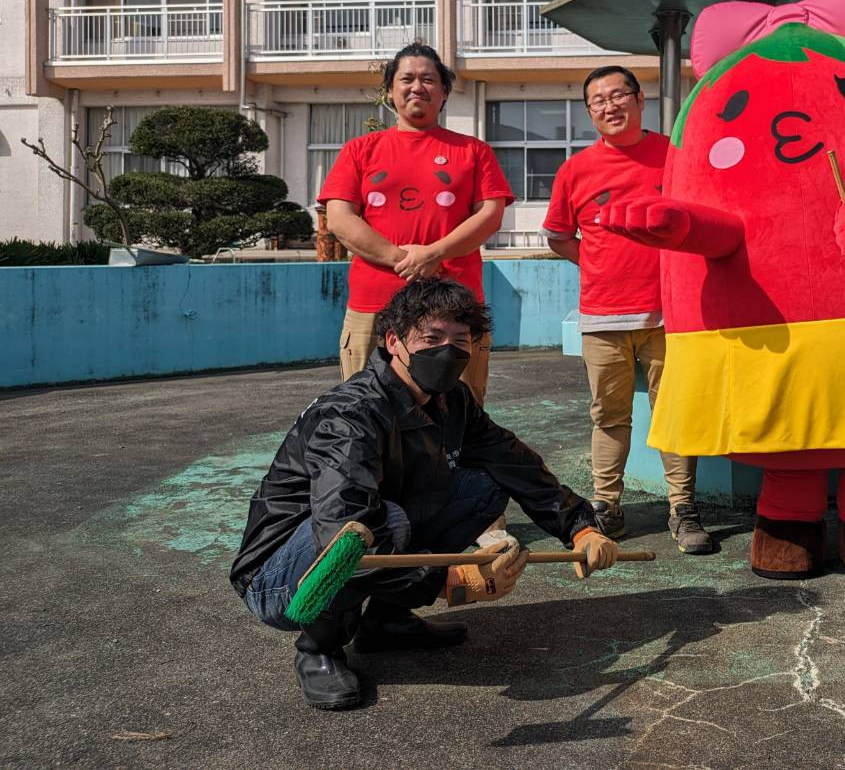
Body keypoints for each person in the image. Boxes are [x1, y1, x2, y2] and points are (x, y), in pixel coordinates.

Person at [230, 278, 620, 711]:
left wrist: (580, 527)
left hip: (361, 540)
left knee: (486, 485)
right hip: (282, 578)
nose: (448, 352)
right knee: (379, 523)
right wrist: (448, 582)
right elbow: (341, 534)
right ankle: (319, 648)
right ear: (394, 341)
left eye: (460, 341)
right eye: (431, 338)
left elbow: (512, 462)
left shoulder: (453, 399)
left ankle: (385, 620)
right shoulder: (351, 415)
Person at [543, 65, 713, 555]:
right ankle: (607, 507)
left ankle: (683, 510)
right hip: (602, 318)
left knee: (675, 415)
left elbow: (701, 218)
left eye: (619, 95)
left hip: (670, 316)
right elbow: (559, 237)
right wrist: (596, 259)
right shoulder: (575, 170)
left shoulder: (673, 157)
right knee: (609, 419)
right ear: (589, 111)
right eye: (598, 100)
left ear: (640, 100)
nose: (609, 106)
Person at [321, 43, 513, 404]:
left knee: (460, 410)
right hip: (374, 302)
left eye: (428, 79)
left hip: (455, 303)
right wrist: (404, 259)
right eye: (406, 78)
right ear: (390, 90)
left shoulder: (473, 151)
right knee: (367, 408)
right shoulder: (360, 149)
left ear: (443, 92)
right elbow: (339, 217)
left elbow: (490, 214)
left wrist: (436, 253)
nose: (417, 86)